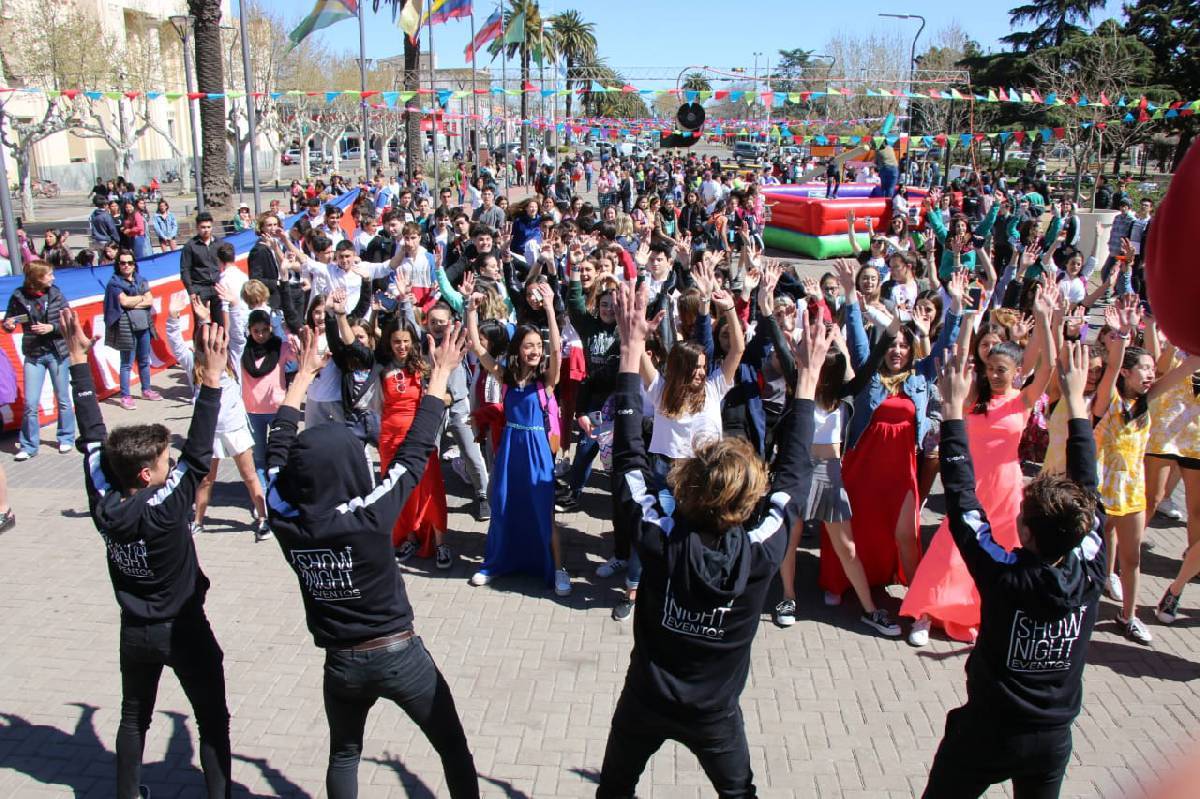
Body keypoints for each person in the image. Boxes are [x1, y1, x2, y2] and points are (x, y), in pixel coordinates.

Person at [595, 281, 826, 797]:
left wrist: (629, 360)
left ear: (685, 486)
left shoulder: (658, 537)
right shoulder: (762, 550)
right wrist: (805, 388)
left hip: (645, 701)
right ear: (747, 504)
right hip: (715, 715)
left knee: (613, 790)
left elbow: (628, 463)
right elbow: (792, 481)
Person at [265, 325, 479, 799]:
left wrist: (300, 380)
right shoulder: (367, 515)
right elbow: (417, 451)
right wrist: (441, 375)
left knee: (344, 754)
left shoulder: (284, 517)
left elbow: (276, 452)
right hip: (399, 655)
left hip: (340, 663)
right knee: (453, 749)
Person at [920, 341, 1105, 799]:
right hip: (1052, 738)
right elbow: (1090, 494)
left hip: (987, 731)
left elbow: (963, 502)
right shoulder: (1092, 568)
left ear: (1022, 531)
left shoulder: (1003, 572)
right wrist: (1078, 403)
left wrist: (950, 413)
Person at [65, 306, 233, 799]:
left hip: (134, 631)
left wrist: (79, 363)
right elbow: (200, 452)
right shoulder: (164, 506)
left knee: (133, 714)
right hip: (184, 629)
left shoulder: (105, 501)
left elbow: (95, 437)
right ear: (146, 474)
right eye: (164, 460)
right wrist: (215, 378)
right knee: (212, 720)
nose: (170, 463)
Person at [902, 285, 1059, 645]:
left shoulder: (1022, 401)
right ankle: (924, 614)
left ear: (1017, 370)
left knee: (992, 558)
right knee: (948, 549)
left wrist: (1046, 318)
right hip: (970, 485)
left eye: (1001, 369)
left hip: (1006, 492)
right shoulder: (973, 397)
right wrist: (968, 315)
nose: (994, 374)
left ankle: (971, 614)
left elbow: (1049, 365)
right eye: (990, 368)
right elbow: (958, 357)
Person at [465, 282, 569, 594]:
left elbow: (556, 348)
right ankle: (493, 564)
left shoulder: (548, 380)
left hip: (537, 450)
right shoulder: (506, 376)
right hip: (511, 448)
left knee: (543, 510)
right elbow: (478, 348)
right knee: (504, 504)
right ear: (517, 350)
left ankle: (559, 569)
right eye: (528, 345)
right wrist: (470, 310)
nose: (535, 350)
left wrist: (550, 309)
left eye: (538, 345)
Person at [166, 292, 270, 541]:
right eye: (211, 342)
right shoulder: (193, 363)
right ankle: (198, 521)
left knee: (249, 476)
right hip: (208, 433)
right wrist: (173, 316)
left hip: (235, 429)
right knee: (205, 481)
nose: (217, 346)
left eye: (219, 342)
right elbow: (175, 344)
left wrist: (234, 305)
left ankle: (264, 519)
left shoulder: (232, 359)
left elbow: (236, 336)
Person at [3, 260, 75, 460]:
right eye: (49, 274)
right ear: (36, 278)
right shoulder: (19, 295)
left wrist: (51, 328)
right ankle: (28, 445)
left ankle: (66, 437)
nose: (53, 277)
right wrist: (9, 324)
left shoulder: (56, 294)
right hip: (34, 354)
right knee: (30, 403)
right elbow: (11, 320)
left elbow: (69, 321)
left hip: (57, 353)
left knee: (63, 398)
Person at [104, 250, 163, 410]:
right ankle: (125, 395)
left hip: (143, 325)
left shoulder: (141, 280)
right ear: (118, 265)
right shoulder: (114, 283)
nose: (126, 266)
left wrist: (134, 301)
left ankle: (146, 390)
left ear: (134, 264)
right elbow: (124, 302)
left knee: (144, 360)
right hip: (126, 326)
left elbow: (149, 300)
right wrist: (140, 299)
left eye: (129, 263)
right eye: (123, 263)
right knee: (127, 363)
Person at [179, 212, 223, 321]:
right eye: (203, 227)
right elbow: (185, 270)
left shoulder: (219, 243)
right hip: (200, 289)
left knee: (219, 322)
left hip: (217, 287)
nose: (206, 230)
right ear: (197, 228)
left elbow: (225, 263)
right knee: (201, 323)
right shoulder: (190, 246)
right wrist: (191, 291)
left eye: (208, 227)